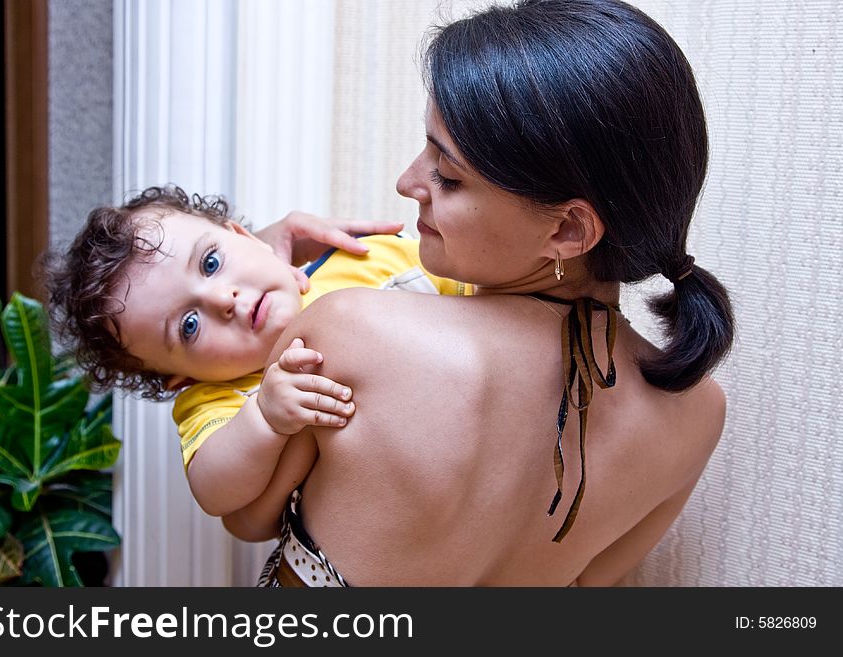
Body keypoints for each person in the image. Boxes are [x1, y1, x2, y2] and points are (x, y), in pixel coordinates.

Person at [222, 0, 735, 587]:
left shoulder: (351, 333)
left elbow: (246, 515)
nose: (408, 182)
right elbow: (593, 587)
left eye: (448, 175)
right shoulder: (697, 412)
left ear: (568, 229)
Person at [43, 185, 471, 519]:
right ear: (181, 378)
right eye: (189, 326)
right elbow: (214, 491)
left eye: (210, 262)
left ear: (246, 236)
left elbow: (481, 302)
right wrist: (265, 418)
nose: (222, 298)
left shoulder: (365, 258)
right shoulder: (220, 399)